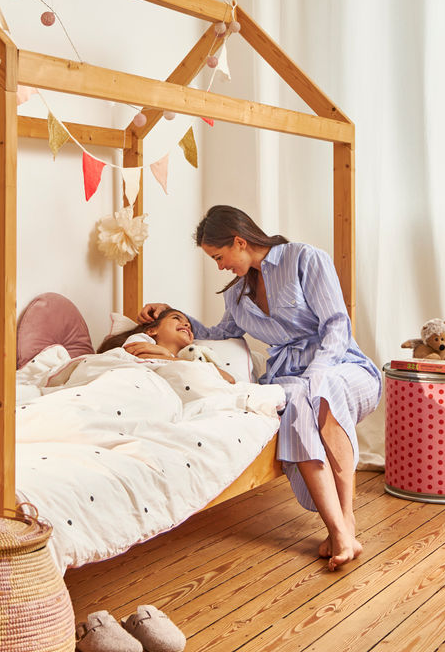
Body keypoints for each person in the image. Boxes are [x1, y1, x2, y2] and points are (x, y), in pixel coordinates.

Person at [139, 205, 380, 570]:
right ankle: (338, 529)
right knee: (295, 399)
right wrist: (173, 314)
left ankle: (346, 521)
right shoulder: (236, 295)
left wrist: (316, 373)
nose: (219, 266)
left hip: (340, 365)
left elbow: (336, 326)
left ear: (239, 241)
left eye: (220, 257)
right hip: (289, 379)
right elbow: (220, 335)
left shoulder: (304, 259)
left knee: (320, 391)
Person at [97, 307, 235, 384]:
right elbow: (133, 357)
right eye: (176, 318)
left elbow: (229, 380)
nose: (187, 324)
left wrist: (170, 357)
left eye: (189, 325)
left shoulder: (192, 357)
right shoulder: (141, 339)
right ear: (152, 330)